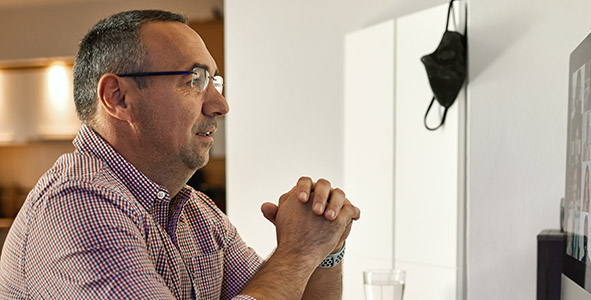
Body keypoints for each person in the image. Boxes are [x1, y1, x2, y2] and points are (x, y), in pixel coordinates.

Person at [0, 10, 360, 299]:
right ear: (118, 98)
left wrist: (326, 248)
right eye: (194, 80)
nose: (221, 105)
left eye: (215, 83)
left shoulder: (196, 213)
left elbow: (279, 289)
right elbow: (283, 276)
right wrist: (297, 252)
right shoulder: (78, 205)